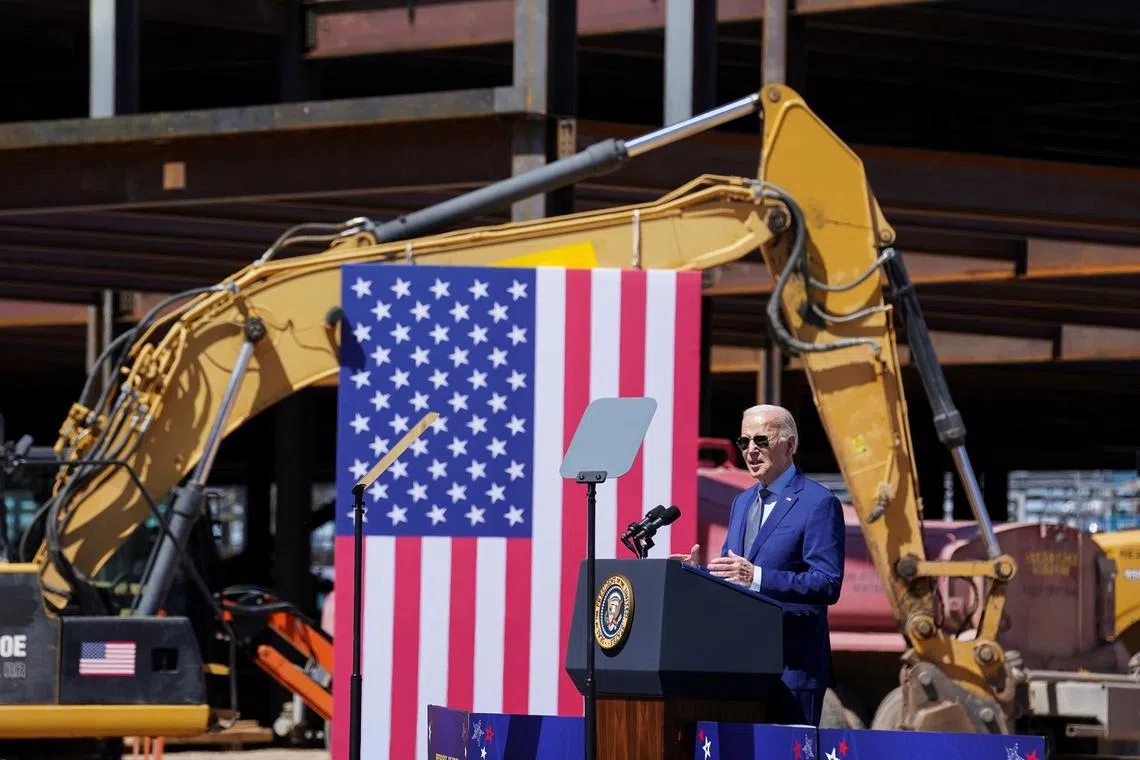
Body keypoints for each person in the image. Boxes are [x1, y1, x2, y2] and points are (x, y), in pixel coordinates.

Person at [671, 404, 845, 726]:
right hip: (743, 665)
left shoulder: (818, 503)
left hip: (794, 669)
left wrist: (757, 577)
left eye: (761, 441)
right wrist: (700, 575)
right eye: (744, 442)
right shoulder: (742, 501)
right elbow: (734, 577)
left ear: (790, 445)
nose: (751, 450)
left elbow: (827, 583)